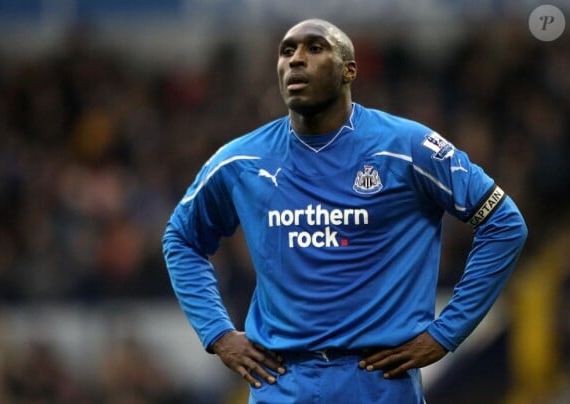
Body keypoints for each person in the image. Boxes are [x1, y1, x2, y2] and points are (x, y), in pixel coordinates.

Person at [162, 18, 528, 403]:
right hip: (280, 382)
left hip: (377, 381)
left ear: (348, 70)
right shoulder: (240, 160)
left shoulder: (408, 147)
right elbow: (181, 239)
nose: (296, 60)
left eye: (315, 48)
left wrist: (446, 332)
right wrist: (218, 333)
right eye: (287, 51)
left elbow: (504, 223)